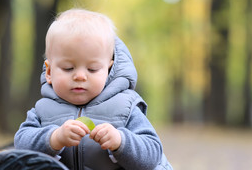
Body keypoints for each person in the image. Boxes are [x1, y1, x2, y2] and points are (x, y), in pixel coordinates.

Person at [14, 9, 173, 170]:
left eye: (92, 69)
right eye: (68, 68)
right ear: (49, 72)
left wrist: (120, 141)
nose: (80, 76)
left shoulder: (125, 107)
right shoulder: (43, 110)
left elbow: (152, 154)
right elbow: (20, 148)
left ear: (108, 70)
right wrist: (54, 138)